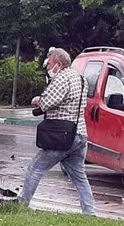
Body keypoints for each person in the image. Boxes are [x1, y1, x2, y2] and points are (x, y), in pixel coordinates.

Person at [18, 48, 94, 215]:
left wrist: (36, 100)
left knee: (35, 168)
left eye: (50, 63)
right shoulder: (81, 79)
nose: (47, 67)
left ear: (59, 64)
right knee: (79, 177)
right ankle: (90, 212)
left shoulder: (61, 78)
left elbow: (47, 102)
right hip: (80, 134)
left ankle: (21, 205)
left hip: (63, 136)